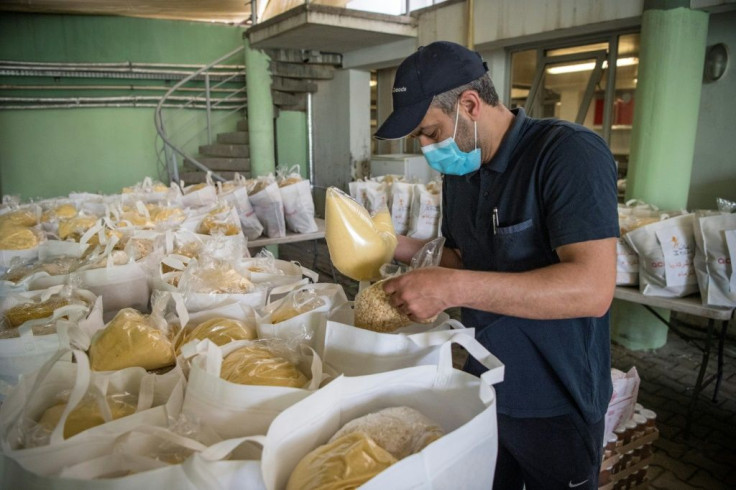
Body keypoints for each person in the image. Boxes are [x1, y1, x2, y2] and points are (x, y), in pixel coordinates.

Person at [374, 41, 618, 490]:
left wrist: (452, 289)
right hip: (485, 387)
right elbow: (467, 260)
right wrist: (389, 244)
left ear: (470, 104)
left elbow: (592, 287)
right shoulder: (460, 174)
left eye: (430, 132)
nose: (427, 149)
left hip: (556, 400)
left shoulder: (568, 155)